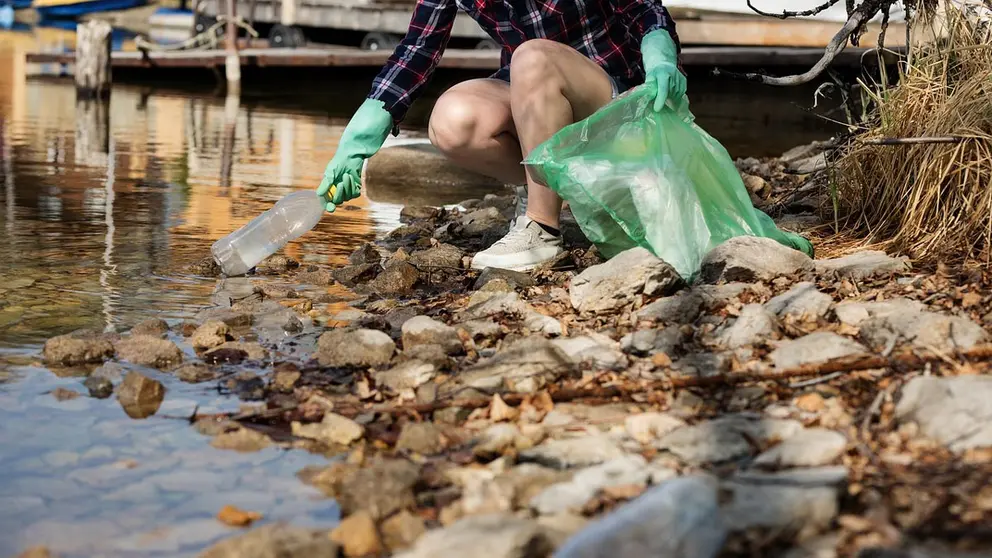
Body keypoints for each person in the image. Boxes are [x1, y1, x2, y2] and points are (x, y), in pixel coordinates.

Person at [317, 0, 686, 271]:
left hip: (615, 101)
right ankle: (565, 197)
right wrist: (357, 142)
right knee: (453, 120)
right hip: (534, 95)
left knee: (531, 57)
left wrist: (661, 56)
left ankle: (542, 227)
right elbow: (417, 49)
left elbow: (644, 9)